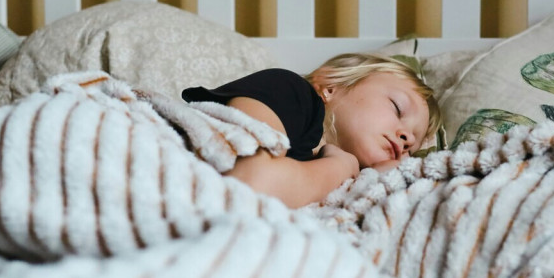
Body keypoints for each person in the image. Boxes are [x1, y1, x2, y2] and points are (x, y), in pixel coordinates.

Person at [182, 53, 441, 208]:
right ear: (330, 86)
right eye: (397, 108)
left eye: (413, 147)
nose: (406, 138)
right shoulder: (290, 91)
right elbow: (250, 186)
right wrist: (342, 165)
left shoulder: (347, 188)